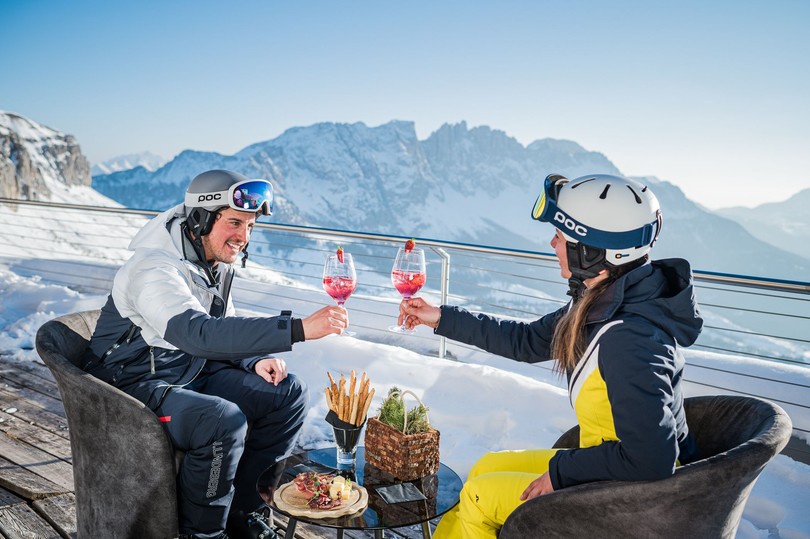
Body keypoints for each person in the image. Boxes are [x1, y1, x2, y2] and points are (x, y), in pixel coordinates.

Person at [398, 173, 703, 539]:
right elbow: (526, 341)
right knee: (485, 468)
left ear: (590, 253)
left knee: (481, 496)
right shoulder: (604, 302)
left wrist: (560, 475)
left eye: (561, 237)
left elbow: (651, 459)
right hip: (611, 469)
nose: (552, 242)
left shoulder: (630, 339)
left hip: (634, 498)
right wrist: (440, 317)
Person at [82, 169, 349, 539]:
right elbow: (196, 332)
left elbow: (224, 322)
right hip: (133, 386)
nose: (244, 236)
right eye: (235, 222)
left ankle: (246, 512)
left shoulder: (212, 261)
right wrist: (297, 329)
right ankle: (204, 534)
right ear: (201, 218)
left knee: (288, 393)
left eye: (251, 226)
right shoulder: (154, 269)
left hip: (188, 371)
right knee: (220, 420)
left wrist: (252, 359)